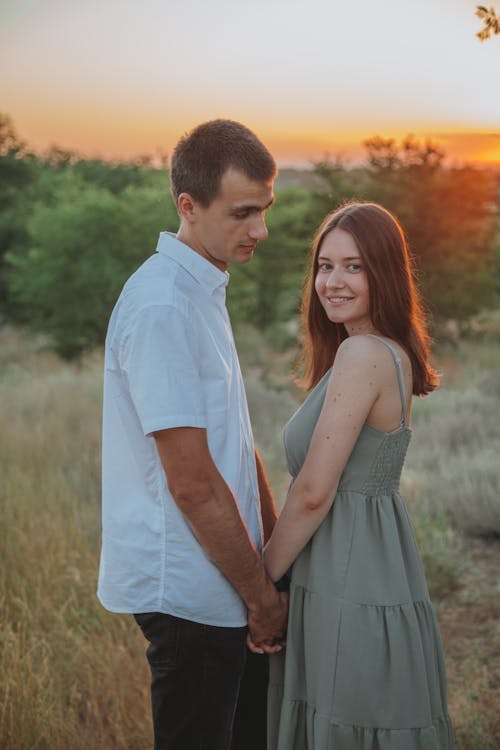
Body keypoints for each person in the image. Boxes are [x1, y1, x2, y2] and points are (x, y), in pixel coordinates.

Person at [97, 119, 288, 750]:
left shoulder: (201, 287)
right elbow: (193, 483)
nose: (260, 229)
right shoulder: (162, 306)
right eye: (242, 213)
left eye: (264, 209)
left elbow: (234, 442)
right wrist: (261, 595)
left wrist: (274, 552)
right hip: (192, 592)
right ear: (188, 206)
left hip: (228, 579)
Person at [260, 202, 454, 749]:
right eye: (325, 265)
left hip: (350, 576)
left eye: (354, 266)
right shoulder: (382, 352)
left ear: (385, 274)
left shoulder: (363, 354)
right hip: (369, 563)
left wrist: (261, 581)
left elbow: (314, 494)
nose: (333, 281)